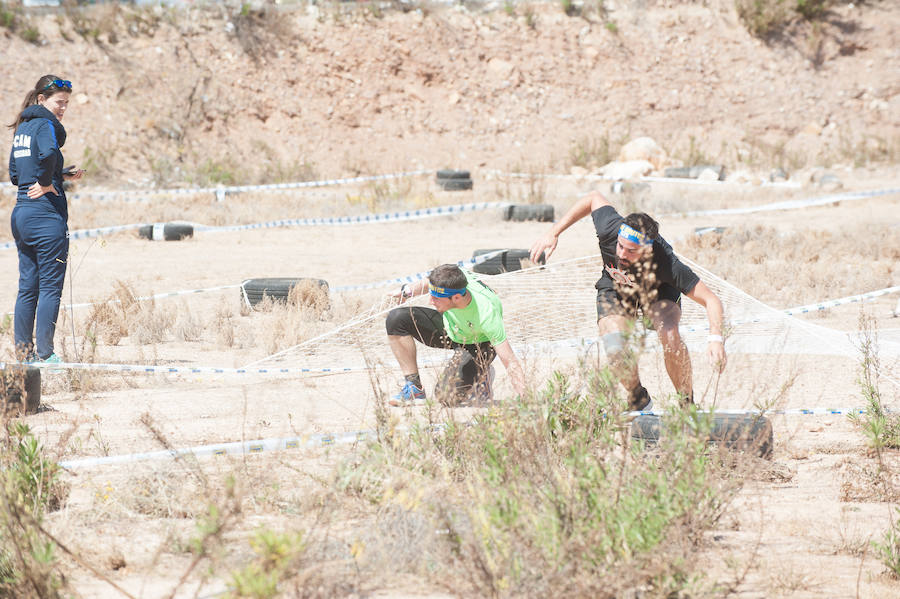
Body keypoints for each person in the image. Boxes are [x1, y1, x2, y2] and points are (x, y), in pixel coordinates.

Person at [530, 191, 726, 410]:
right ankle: (638, 398)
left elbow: (711, 300)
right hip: (617, 286)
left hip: (658, 292)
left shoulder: (667, 264)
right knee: (614, 343)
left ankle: (687, 404)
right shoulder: (610, 229)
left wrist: (716, 337)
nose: (622, 254)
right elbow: (593, 197)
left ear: (647, 250)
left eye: (631, 251)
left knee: (669, 335)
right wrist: (553, 232)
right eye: (620, 246)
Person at [7, 75, 85, 363]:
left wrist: (57, 176)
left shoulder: (23, 127)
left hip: (21, 214)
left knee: (28, 287)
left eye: (66, 104)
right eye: (59, 103)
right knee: (51, 288)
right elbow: (50, 152)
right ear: (41, 100)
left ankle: (24, 357)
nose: (63, 109)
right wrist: (48, 183)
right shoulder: (46, 125)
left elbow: (15, 175)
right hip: (46, 217)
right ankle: (47, 355)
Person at [385, 264, 526, 406]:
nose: (430, 302)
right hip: (452, 328)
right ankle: (414, 388)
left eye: (436, 298)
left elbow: (510, 361)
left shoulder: (487, 313)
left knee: (447, 397)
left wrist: (525, 397)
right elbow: (430, 282)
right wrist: (406, 291)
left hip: (479, 343)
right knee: (397, 318)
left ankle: (482, 376)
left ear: (457, 297)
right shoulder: (454, 277)